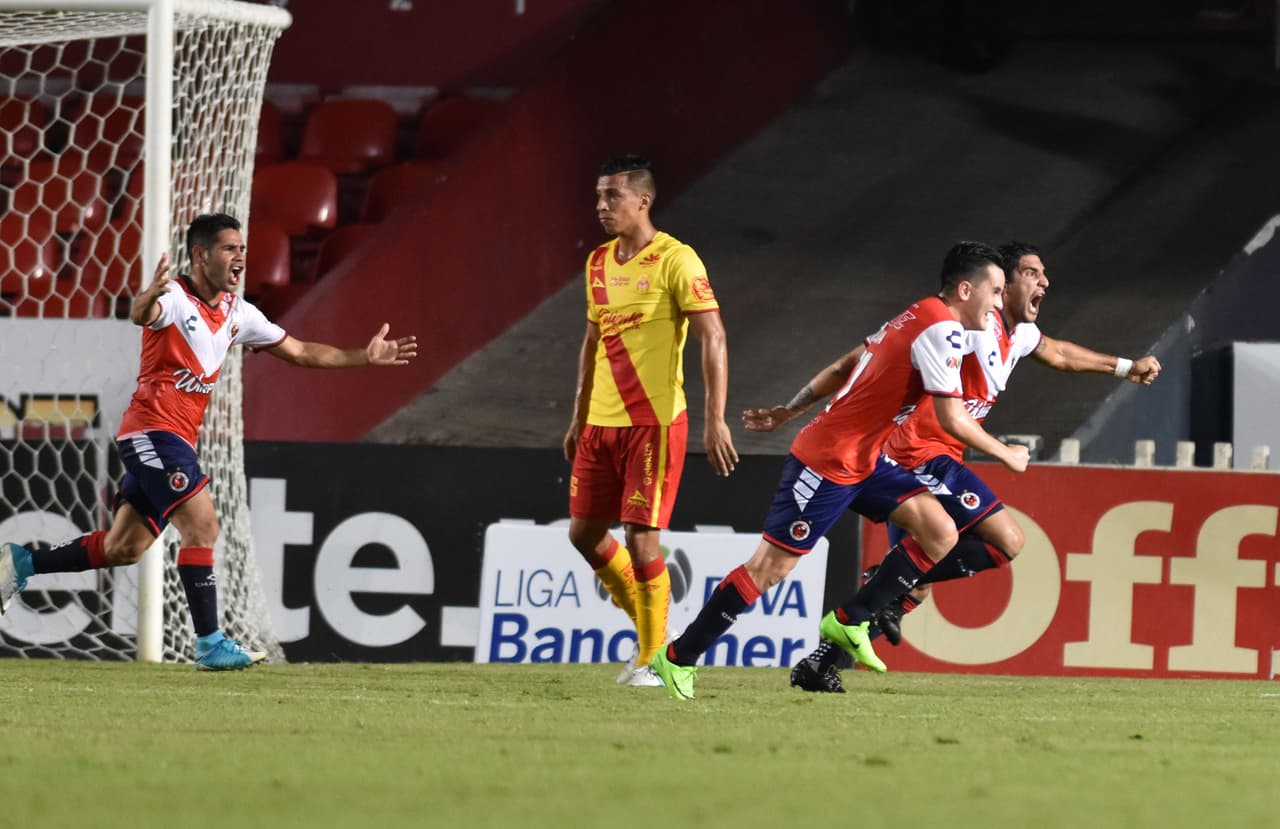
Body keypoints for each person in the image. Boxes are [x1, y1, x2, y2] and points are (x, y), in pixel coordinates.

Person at [0, 213, 417, 670]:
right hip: (152, 432)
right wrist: (147, 299)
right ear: (200, 255)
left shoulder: (239, 313)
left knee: (125, 547)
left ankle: (22, 563)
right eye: (228, 248)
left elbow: (299, 351)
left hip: (176, 440)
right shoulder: (176, 299)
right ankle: (210, 643)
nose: (240, 256)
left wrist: (364, 357)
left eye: (242, 248)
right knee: (203, 526)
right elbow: (144, 314)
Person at [648, 240, 1031, 701]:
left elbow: (850, 363)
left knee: (939, 530)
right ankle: (678, 658)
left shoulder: (920, 315)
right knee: (770, 569)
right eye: (994, 291)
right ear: (966, 290)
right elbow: (951, 418)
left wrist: (789, 410)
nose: (997, 303)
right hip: (828, 461)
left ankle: (850, 621)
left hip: (867, 459)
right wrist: (1005, 453)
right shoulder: (941, 330)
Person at [783, 240, 1162, 692]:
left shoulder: (1017, 335)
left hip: (939, 454)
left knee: (910, 586)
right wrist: (801, 403)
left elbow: (1059, 354)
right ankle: (864, 601)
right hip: (918, 452)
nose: (1044, 281)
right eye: (1031, 273)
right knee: (1006, 541)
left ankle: (820, 664)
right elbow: (878, 353)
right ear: (999, 284)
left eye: (1044, 274)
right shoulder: (970, 328)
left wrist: (1125, 367)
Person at [563, 155, 738, 687]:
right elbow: (592, 342)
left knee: (642, 540)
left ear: (643, 200)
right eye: (597, 197)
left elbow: (713, 337)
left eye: (611, 197)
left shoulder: (676, 261)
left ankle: (653, 658)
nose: (600, 206)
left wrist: (716, 419)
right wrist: (577, 416)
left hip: (655, 423)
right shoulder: (597, 264)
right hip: (599, 425)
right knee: (584, 535)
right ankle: (648, 628)